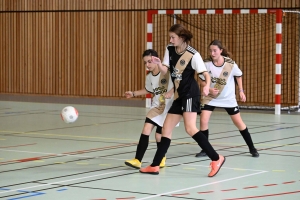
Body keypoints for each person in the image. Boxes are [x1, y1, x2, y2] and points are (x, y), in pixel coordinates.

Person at [139, 24, 225, 177]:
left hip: (190, 94)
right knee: (166, 129)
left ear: (182, 38)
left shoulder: (193, 54)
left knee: (190, 128)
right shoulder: (170, 49)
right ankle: (155, 165)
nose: (170, 40)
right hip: (179, 95)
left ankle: (216, 158)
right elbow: (166, 71)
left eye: (173, 37)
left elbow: (205, 74)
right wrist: (159, 63)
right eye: (170, 37)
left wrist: (206, 87)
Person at [195, 39, 259, 158]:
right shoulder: (206, 64)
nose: (212, 53)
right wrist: (208, 89)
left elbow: (238, 76)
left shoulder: (230, 64)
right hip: (210, 97)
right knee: (203, 121)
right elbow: (202, 80)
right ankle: (205, 149)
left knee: (239, 123)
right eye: (210, 51)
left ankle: (252, 148)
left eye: (215, 51)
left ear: (221, 51)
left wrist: (241, 91)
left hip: (228, 98)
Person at [124, 49, 175, 169]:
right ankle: (137, 160)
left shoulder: (167, 72)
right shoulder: (149, 77)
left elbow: (179, 84)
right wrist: (133, 93)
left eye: (150, 61)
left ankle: (161, 157)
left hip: (170, 108)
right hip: (157, 106)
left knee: (159, 136)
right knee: (146, 128)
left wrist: (171, 92)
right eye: (145, 62)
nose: (147, 65)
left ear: (157, 60)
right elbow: (148, 90)